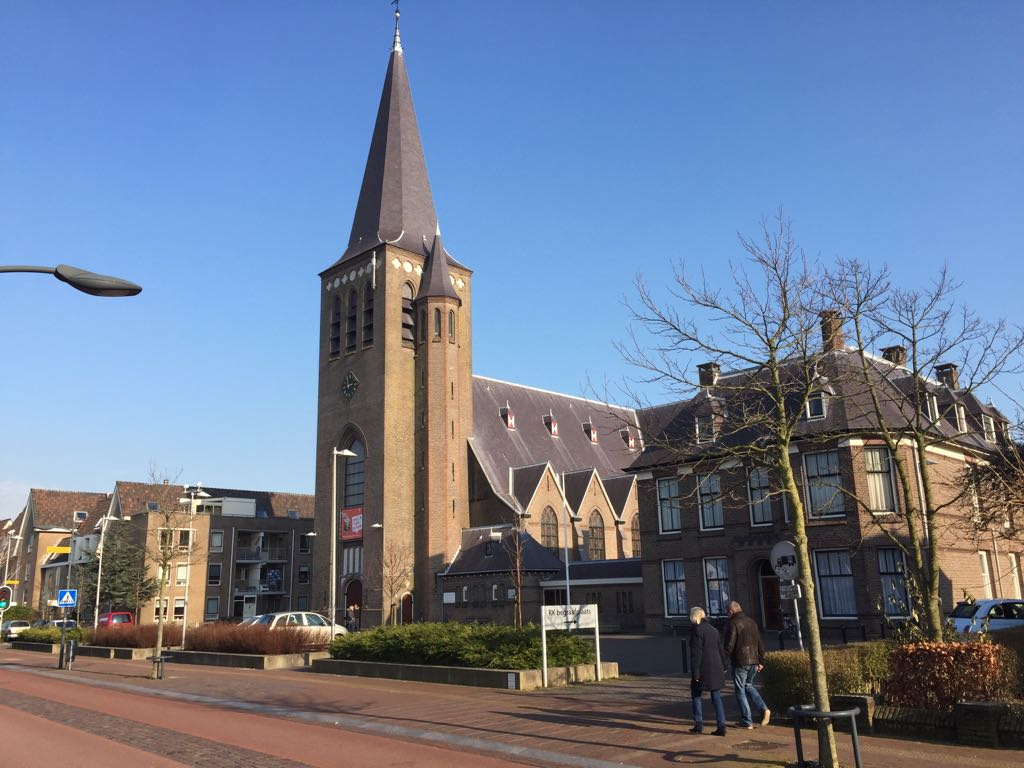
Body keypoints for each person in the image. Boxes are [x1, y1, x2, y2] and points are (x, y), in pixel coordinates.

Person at [724, 600, 770, 729]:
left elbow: (729, 645)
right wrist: (761, 660)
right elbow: (759, 642)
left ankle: (746, 720)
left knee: (740, 691)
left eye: (727, 612)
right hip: (754, 661)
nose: (727, 615)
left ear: (731, 611)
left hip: (740, 661)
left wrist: (723, 661)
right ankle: (763, 708)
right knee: (748, 685)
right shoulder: (752, 622)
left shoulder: (733, 623)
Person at [688, 605, 729, 736]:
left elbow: (696, 654)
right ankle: (721, 725)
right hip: (716, 667)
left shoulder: (697, 631)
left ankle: (698, 724)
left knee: (696, 695)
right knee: (716, 697)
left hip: (703, 668)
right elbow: (720, 649)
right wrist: (725, 665)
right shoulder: (714, 630)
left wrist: (695, 673)